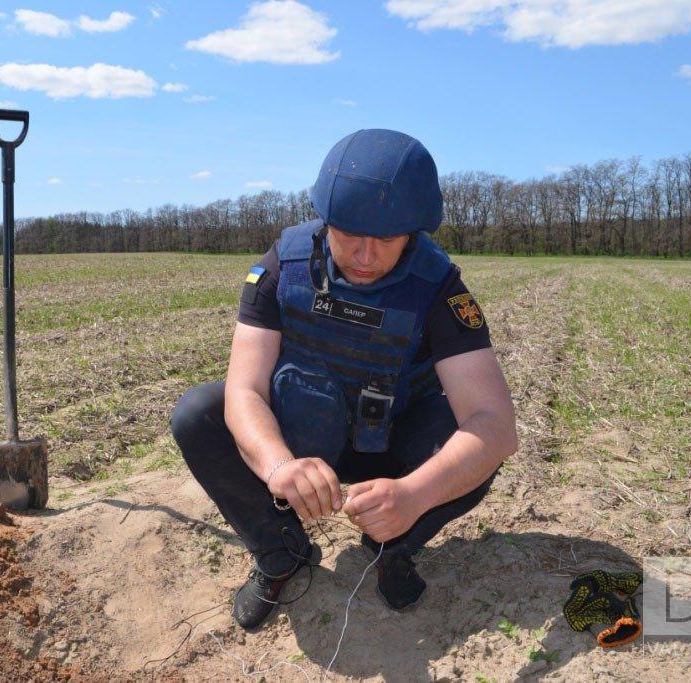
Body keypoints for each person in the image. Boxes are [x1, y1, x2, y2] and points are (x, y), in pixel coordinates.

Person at [170, 129, 518, 631]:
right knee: (198, 413)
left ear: (415, 233)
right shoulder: (281, 267)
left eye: (388, 239)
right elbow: (244, 389)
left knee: (469, 447)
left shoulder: (439, 290)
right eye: (350, 232)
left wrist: (414, 496)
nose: (365, 255)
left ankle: (391, 545)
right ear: (325, 219)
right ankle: (281, 553)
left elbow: (496, 425)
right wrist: (277, 466)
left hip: (394, 443)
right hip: (305, 431)